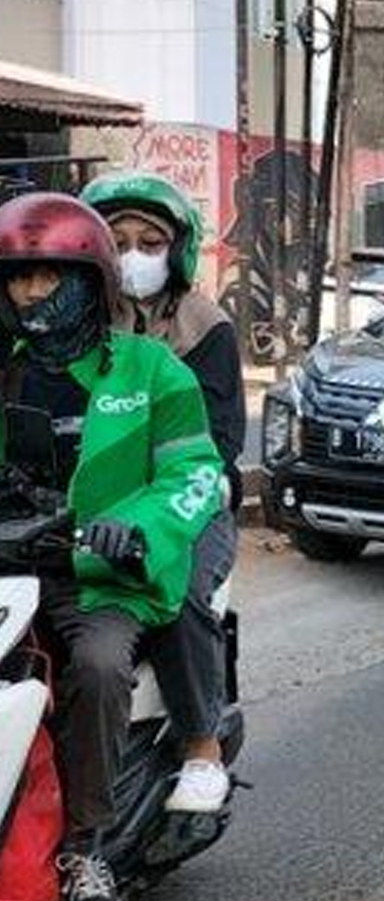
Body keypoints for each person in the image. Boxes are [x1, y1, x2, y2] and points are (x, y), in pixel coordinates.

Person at [0, 193, 225, 901]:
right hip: (10, 564)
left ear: (89, 281)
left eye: (46, 277)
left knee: (96, 666)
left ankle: (85, 845)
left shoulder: (154, 371)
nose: (29, 293)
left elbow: (194, 475)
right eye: (17, 278)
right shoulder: (6, 373)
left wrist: (131, 529)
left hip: (94, 572)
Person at [81, 172, 241, 819]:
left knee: (169, 584)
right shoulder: (71, 321)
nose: (132, 254)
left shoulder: (204, 325)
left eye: (150, 241)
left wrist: (159, 511)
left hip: (190, 500)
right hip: (90, 503)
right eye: (117, 240)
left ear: (176, 250)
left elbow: (220, 442)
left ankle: (201, 748)